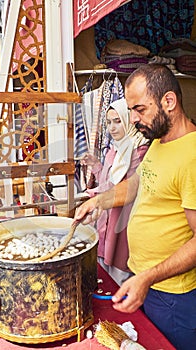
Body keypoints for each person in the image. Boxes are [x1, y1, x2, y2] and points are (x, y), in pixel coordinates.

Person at [74, 64, 196, 350]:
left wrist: (148, 277)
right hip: (145, 280)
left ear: (169, 102)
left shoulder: (191, 156)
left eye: (139, 109)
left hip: (172, 294)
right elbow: (136, 185)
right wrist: (98, 201)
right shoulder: (160, 140)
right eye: (131, 110)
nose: (133, 119)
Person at [81, 98, 149, 285]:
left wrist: (94, 197)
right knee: (103, 269)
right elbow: (108, 179)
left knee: (120, 272)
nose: (112, 128)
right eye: (109, 122)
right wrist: (96, 166)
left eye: (117, 121)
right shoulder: (114, 149)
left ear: (128, 120)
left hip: (122, 219)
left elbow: (124, 187)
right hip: (106, 216)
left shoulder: (140, 151)